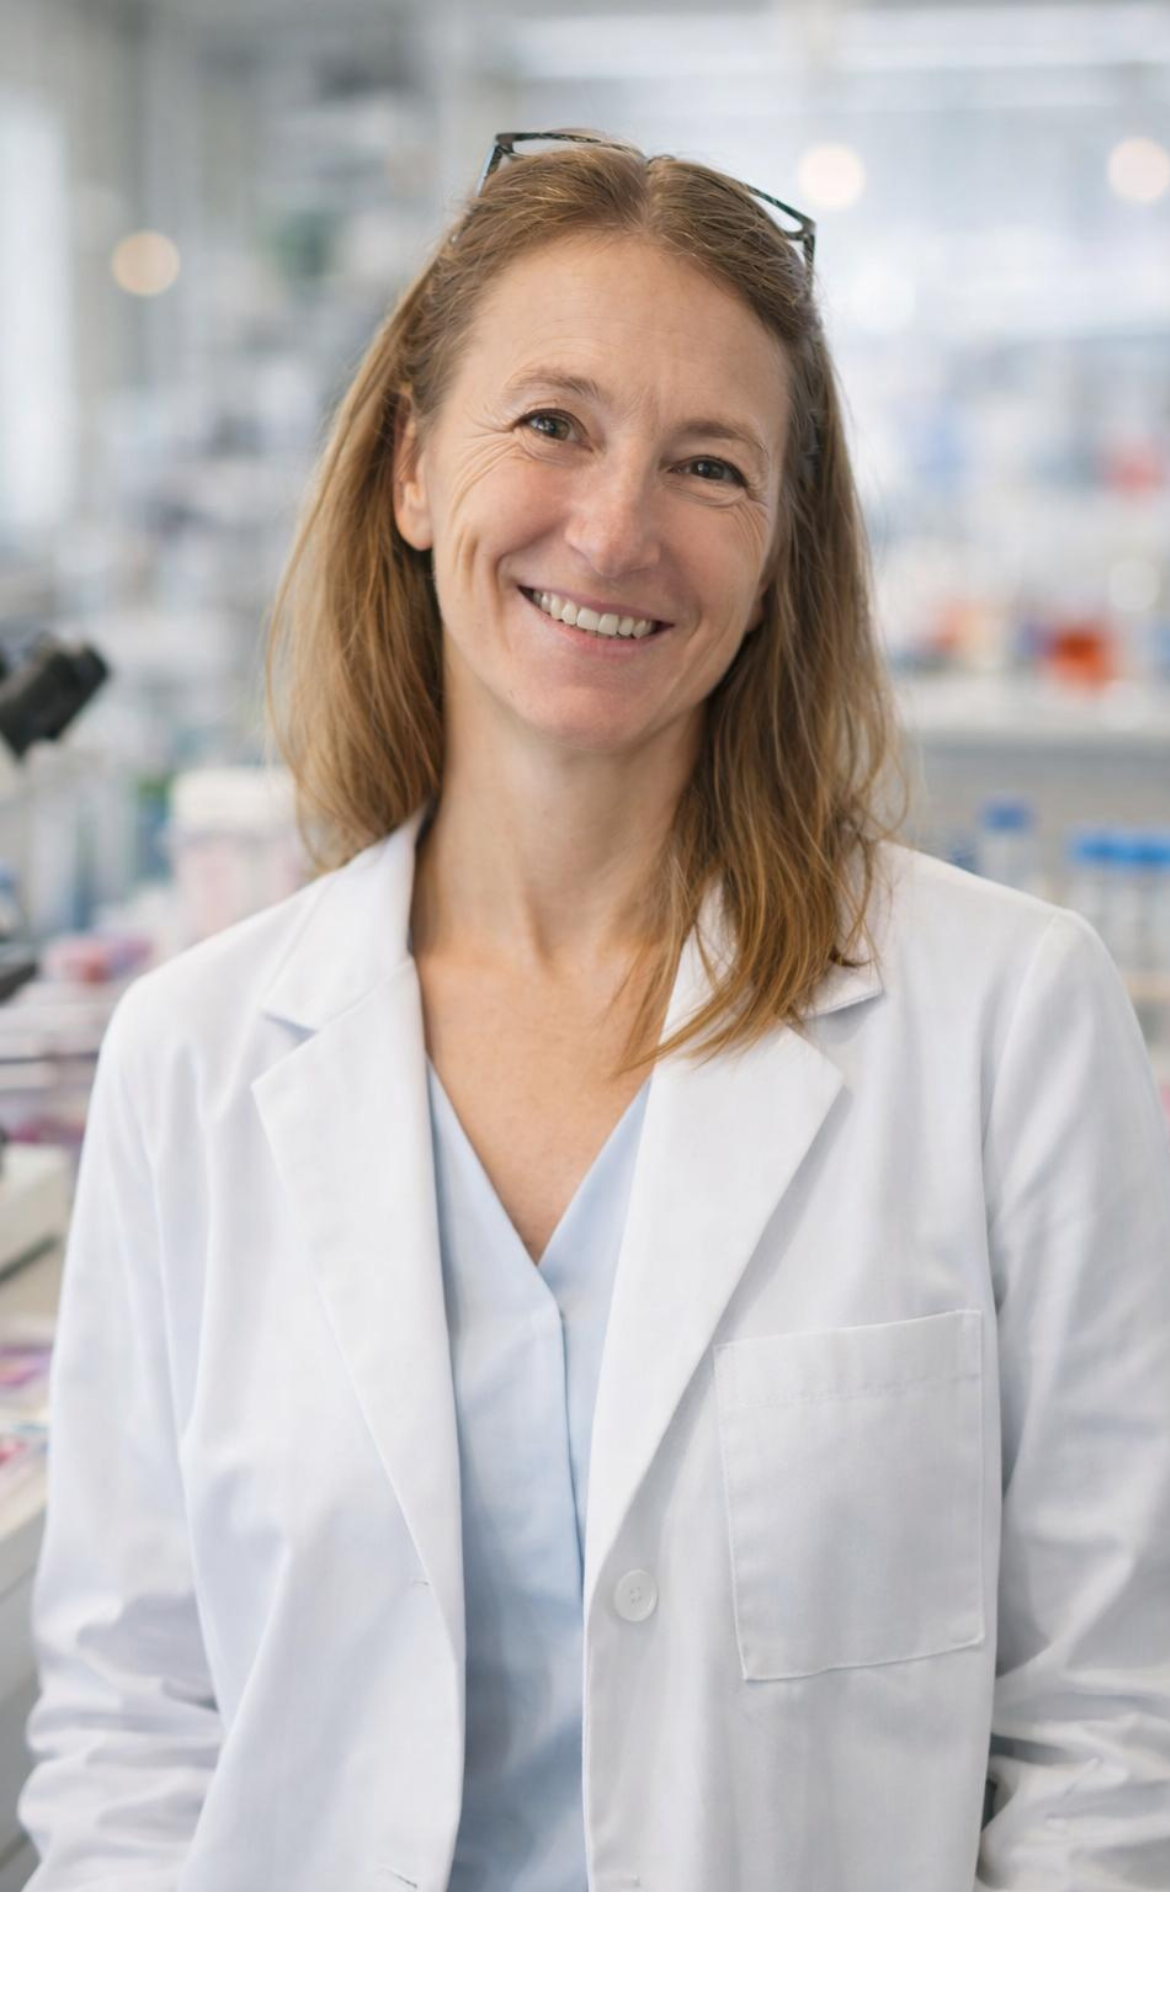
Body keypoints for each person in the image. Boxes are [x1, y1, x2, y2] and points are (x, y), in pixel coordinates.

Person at [18, 130, 1170, 1893]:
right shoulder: (194, 1059)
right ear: (414, 468)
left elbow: (1106, 1742)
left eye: (708, 465)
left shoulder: (1005, 1023)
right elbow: (130, 1741)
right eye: (550, 423)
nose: (616, 528)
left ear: (779, 550)